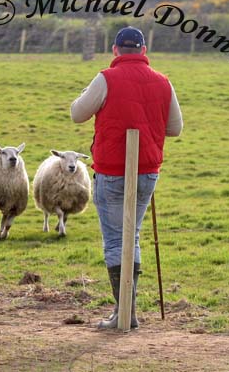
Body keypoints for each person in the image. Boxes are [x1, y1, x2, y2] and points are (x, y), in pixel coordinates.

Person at [70, 26, 183, 329]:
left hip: (111, 171)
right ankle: (127, 312)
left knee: (116, 240)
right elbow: (175, 128)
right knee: (131, 237)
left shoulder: (105, 78)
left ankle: (124, 314)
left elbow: (77, 114)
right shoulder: (163, 81)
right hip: (147, 171)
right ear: (144, 50)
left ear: (115, 50)